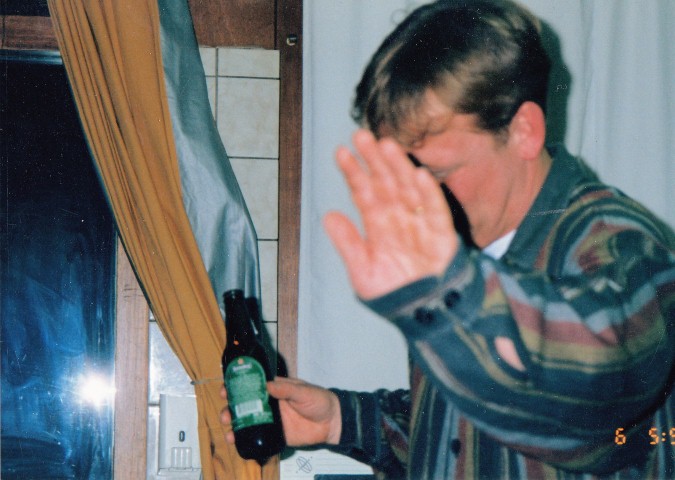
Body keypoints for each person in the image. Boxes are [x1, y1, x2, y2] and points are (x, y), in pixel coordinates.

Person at [221, 0, 675, 477]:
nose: (422, 196)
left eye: (437, 172)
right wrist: (340, 420)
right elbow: (465, 437)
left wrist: (449, 291)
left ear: (524, 131)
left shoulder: (621, 244)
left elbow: (598, 395)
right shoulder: (471, 251)